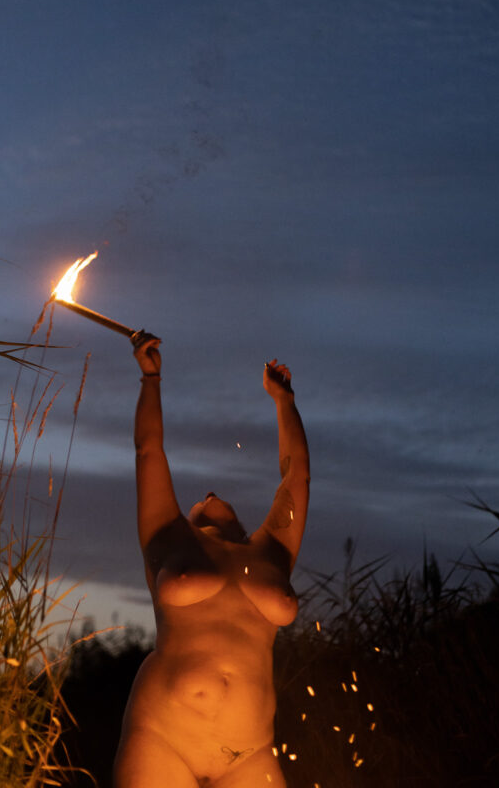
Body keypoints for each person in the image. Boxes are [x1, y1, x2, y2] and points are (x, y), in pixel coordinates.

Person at [113, 333, 310, 788]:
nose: (208, 492)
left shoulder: (269, 553)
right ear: (191, 518)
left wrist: (284, 402)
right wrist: (151, 378)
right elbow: (148, 450)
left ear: (240, 524)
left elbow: (296, 476)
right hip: (162, 736)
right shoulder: (170, 538)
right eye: (200, 499)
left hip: (251, 753)